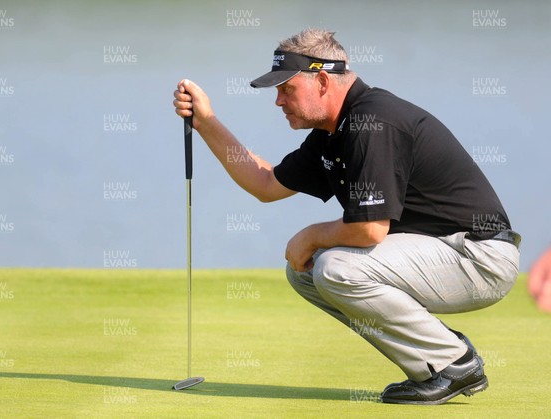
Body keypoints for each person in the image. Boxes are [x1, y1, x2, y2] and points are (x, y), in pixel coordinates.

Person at [172, 28, 521, 405]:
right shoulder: (333, 129)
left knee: (335, 267)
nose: (278, 101)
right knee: (306, 272)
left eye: (286, 89)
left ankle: (452, 362)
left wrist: (311, 234)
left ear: (322, 80)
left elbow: (370, 230)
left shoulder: (373, 122)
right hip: (442, 253)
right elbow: (265, 184)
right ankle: (437, 362)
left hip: (478, 258)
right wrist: (206, 121)